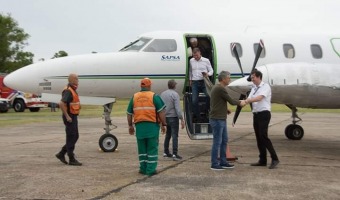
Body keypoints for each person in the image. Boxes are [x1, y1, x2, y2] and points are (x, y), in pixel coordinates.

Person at [126, 78, 167, 176]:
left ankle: (143, 168)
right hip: (151, 126)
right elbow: (161, 112)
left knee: (142, 149)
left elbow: (129, 113)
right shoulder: (154, 96)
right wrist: (164, 124)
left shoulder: (134, 97)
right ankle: (151, 170)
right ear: (149, 86)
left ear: (141, 86)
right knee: (152, 149)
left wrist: (130, 126)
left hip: (139, 127)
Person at [209, 71, 246, 170]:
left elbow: (216, 102)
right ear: (223, 79)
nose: (230, 79)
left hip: (221, 118)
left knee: (224, 140)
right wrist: (241, 102)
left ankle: (223, 161)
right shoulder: (220, 89)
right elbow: (231, 101)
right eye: (228, 78)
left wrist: (225, 109)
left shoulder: (217, 88)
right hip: (217, 119)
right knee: (217, 142)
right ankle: (214, 164)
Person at [245, 69, 280, 169]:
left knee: (263, 136)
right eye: (251, 78)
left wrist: (246, 101)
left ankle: (275, 158)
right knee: (258, 138)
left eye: (253, 77)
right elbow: (250, 98)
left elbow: (259, 98)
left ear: (259, 77)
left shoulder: (265, 86)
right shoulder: (254, 88)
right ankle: (262, 160)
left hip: (264, 114)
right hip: (256, 114)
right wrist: (241, 102)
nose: (252, 79)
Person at [55, 73, 82, 166]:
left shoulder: (72, 90)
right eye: (76, 79)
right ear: (72, 80)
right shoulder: (68, 91)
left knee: (75, 136)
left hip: (73, 116)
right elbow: (61, 103)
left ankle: (61, 153)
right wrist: (67, 116)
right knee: (71, 136)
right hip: (70, 117)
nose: (78, 81)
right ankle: (71, 158)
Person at [160, 79, 185, 161]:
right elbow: (177, 108)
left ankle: (166, 151)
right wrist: (181, 118)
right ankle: (175, 153)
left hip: (165, 117)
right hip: (173, 117)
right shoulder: (175, 94)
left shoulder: (163, 94)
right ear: (174, 85)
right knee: (175, 135)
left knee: (168, 135)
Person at [189, 47, 214, 122]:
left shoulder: (206, 60)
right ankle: (198, 116)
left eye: (197, 55)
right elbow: (190, 71)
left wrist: (207, 74)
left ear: (200, 53)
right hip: (195, 82)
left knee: (208, 96)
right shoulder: (191, 61)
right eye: (194, 56)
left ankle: (206, 110)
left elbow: (211, 70)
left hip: (204, 81)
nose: (195, 57)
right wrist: (190, 79)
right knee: (194, 101)